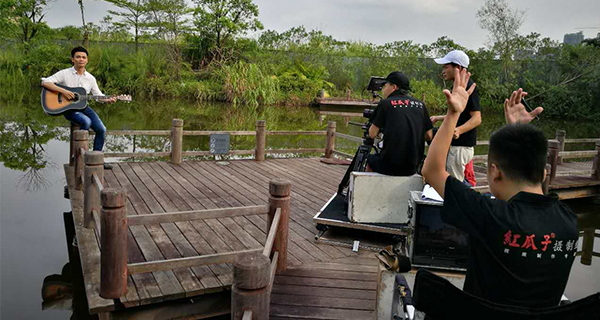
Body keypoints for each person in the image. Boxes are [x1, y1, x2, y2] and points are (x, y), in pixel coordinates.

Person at [422, 69, 578, 308]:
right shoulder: (569, 222)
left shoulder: (489, 215)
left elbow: (432, 170)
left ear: (495, 172)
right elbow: (534, 208)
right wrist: (517, 132)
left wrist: (453, 114)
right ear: (544, 173)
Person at [41, 46, 116, 169]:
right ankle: (78, 158)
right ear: (73, 59)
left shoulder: (90, 78)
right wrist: (63, 91)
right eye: (78, 57)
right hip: (68, 109)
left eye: (83, 57)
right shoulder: (64, 73)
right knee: (86, 121)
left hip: (83, 107)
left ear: (87, 60)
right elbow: (45, 82)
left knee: (101, 129)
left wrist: (107, 99)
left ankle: (97, 160)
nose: (81, 59)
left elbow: (97, 96)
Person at [366, 71, 433, 176]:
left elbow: (372, 134)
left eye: (385, 86)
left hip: (390, 166)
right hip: (413, 166)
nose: (383, 90)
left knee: (369, 159)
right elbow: (429, 135)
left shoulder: (385, 103)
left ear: (394, 87)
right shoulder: (420, 105)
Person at [430, 50, 481, 183]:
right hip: (456, 145)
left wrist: (459, 130)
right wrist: (438, 118)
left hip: (461, 146)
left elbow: (477, 118)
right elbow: (460, 113)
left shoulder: (469, 87)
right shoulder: (458, 86)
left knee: (455, 185)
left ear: (457, 68)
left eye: (446, 67)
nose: (443, 71)